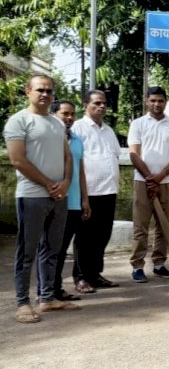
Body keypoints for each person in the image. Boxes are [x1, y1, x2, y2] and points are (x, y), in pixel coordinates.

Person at [5, 75, 78, 323]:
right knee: (27, 252)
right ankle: (23, 303)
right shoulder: (19, 121)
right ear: (28, 91)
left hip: (59, 196)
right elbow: (18, 160)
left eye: (49, 90)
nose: (45, 94)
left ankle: (47, 298)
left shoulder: (57, 124)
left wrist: (66, 183)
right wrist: (48, 184)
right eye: (40, 90)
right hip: (32, 195)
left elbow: (67, 157)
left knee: (53, 249)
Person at [128, 86, 169, 282]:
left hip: (166, 182)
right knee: (141, 226)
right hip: (142, 181)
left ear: (165, 102)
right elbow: (134, 154)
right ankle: (137, 266)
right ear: (146, 101)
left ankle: (159, 264)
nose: (156, 104)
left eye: (160, 101)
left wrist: (160, 177)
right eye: (153, 100)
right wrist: (149, 178)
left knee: (163, 225)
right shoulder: (138, 124)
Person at [72, 90, 121, 291]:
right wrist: (82, 195)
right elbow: (76, 160)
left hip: (108, 190)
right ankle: (81, 277)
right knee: (85, 236)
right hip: (88, 192)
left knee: (103, 235)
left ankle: (95, 274)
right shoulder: (78, 128)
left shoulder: (108, 131)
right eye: (96, 103)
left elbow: (115, 156)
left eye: (104, 103)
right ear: (86, 105)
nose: (101, 106)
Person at [43, 101, 90, 300]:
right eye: (65, 114)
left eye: (72, 114)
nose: (69, 118)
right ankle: (47, 292)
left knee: (62, 250)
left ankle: (56, 289)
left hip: (73, 204)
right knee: (49, 249)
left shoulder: (77, 139)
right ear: (54, 115)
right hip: (53, 200)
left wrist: (85, 200)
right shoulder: (46, 138)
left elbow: (80, 172)